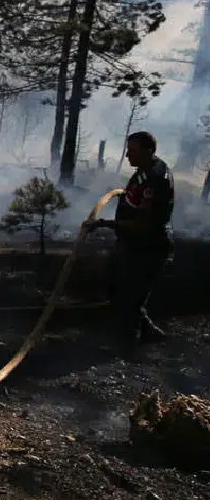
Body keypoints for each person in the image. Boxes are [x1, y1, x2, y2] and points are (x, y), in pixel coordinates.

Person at [84, 131, 171, 351]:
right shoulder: (145, 170)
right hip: (131, 243)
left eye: (132, 151)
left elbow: (142, 224)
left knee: (130, 297)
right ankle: (149, 332)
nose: (127, 155)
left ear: (148, 151)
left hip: (148, 247)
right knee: (114, 285)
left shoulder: (156, 179)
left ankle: (127, 345)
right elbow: (134, 197)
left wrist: (103, 223)